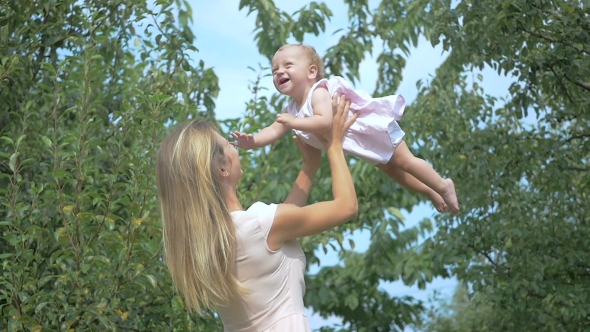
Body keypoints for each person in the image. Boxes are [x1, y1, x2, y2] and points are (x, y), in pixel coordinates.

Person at [156, 95, 359, 331]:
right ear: (222, 168)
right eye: (229, 145)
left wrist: (310, 167)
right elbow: (347, 206)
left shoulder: (202, 243)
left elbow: (281, 227)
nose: (235, 150)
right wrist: (334, 145)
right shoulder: (259, 225)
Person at [231, 44, 460, 214]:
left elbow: (324, 122)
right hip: (361, 144)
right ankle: (430, 191)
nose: (279, 72)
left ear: (311, 72)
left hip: (374, 130)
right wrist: (253, 142)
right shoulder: (291, 107)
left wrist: (294, 123)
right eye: (274, 70)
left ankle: (443, 184)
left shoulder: (318, 92)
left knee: (406, 162)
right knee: (393, 171)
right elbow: (273, 130)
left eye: (287, 65)